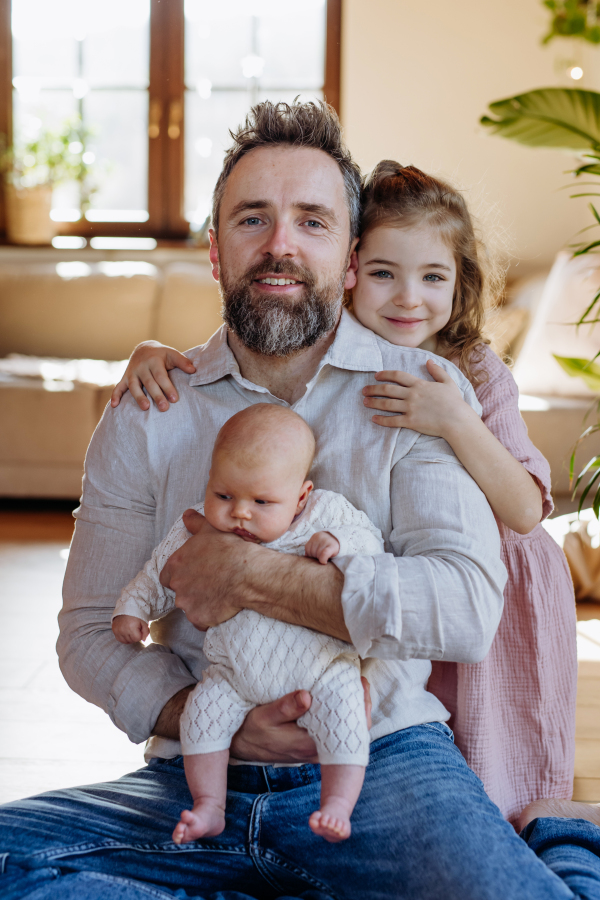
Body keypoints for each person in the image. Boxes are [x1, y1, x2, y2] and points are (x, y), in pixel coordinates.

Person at [1, 100, 599, 900]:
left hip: (386, 763)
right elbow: (86, 633)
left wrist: (250, 577)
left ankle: (566, 842)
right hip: (197, 778)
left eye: (311, 221)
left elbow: (463, 607)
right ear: (215, 252)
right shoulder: (150, 410)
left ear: (350, 257)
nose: (280, 244)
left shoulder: (419, 391)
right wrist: (201, 714)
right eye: (253, 219)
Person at [118, 161, 577, 825]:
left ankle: (555, 830)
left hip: (502, 582)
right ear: (351, 269)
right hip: (403, 592)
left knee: (501, 756)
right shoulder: (329, 357)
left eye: (433, 278)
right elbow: (238, 358)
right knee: (433, 740)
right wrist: (152, 351)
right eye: (385, 273)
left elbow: (527, 510)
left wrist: (454, 418)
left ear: (460, 283)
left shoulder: (473, 369)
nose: (407, 299)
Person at [112, 403, 384, 844]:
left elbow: (369, 539)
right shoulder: (196, 532)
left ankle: (337, 804)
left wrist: (338, 542)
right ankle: (209, 805)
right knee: (201, 716)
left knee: (348, 716)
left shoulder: (323, 514)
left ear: (301, 496)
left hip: (322, 669)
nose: (240, 513)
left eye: (261, 502)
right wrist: (133, 608)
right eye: (223, 496)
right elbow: (161, 570)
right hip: (232, 676)